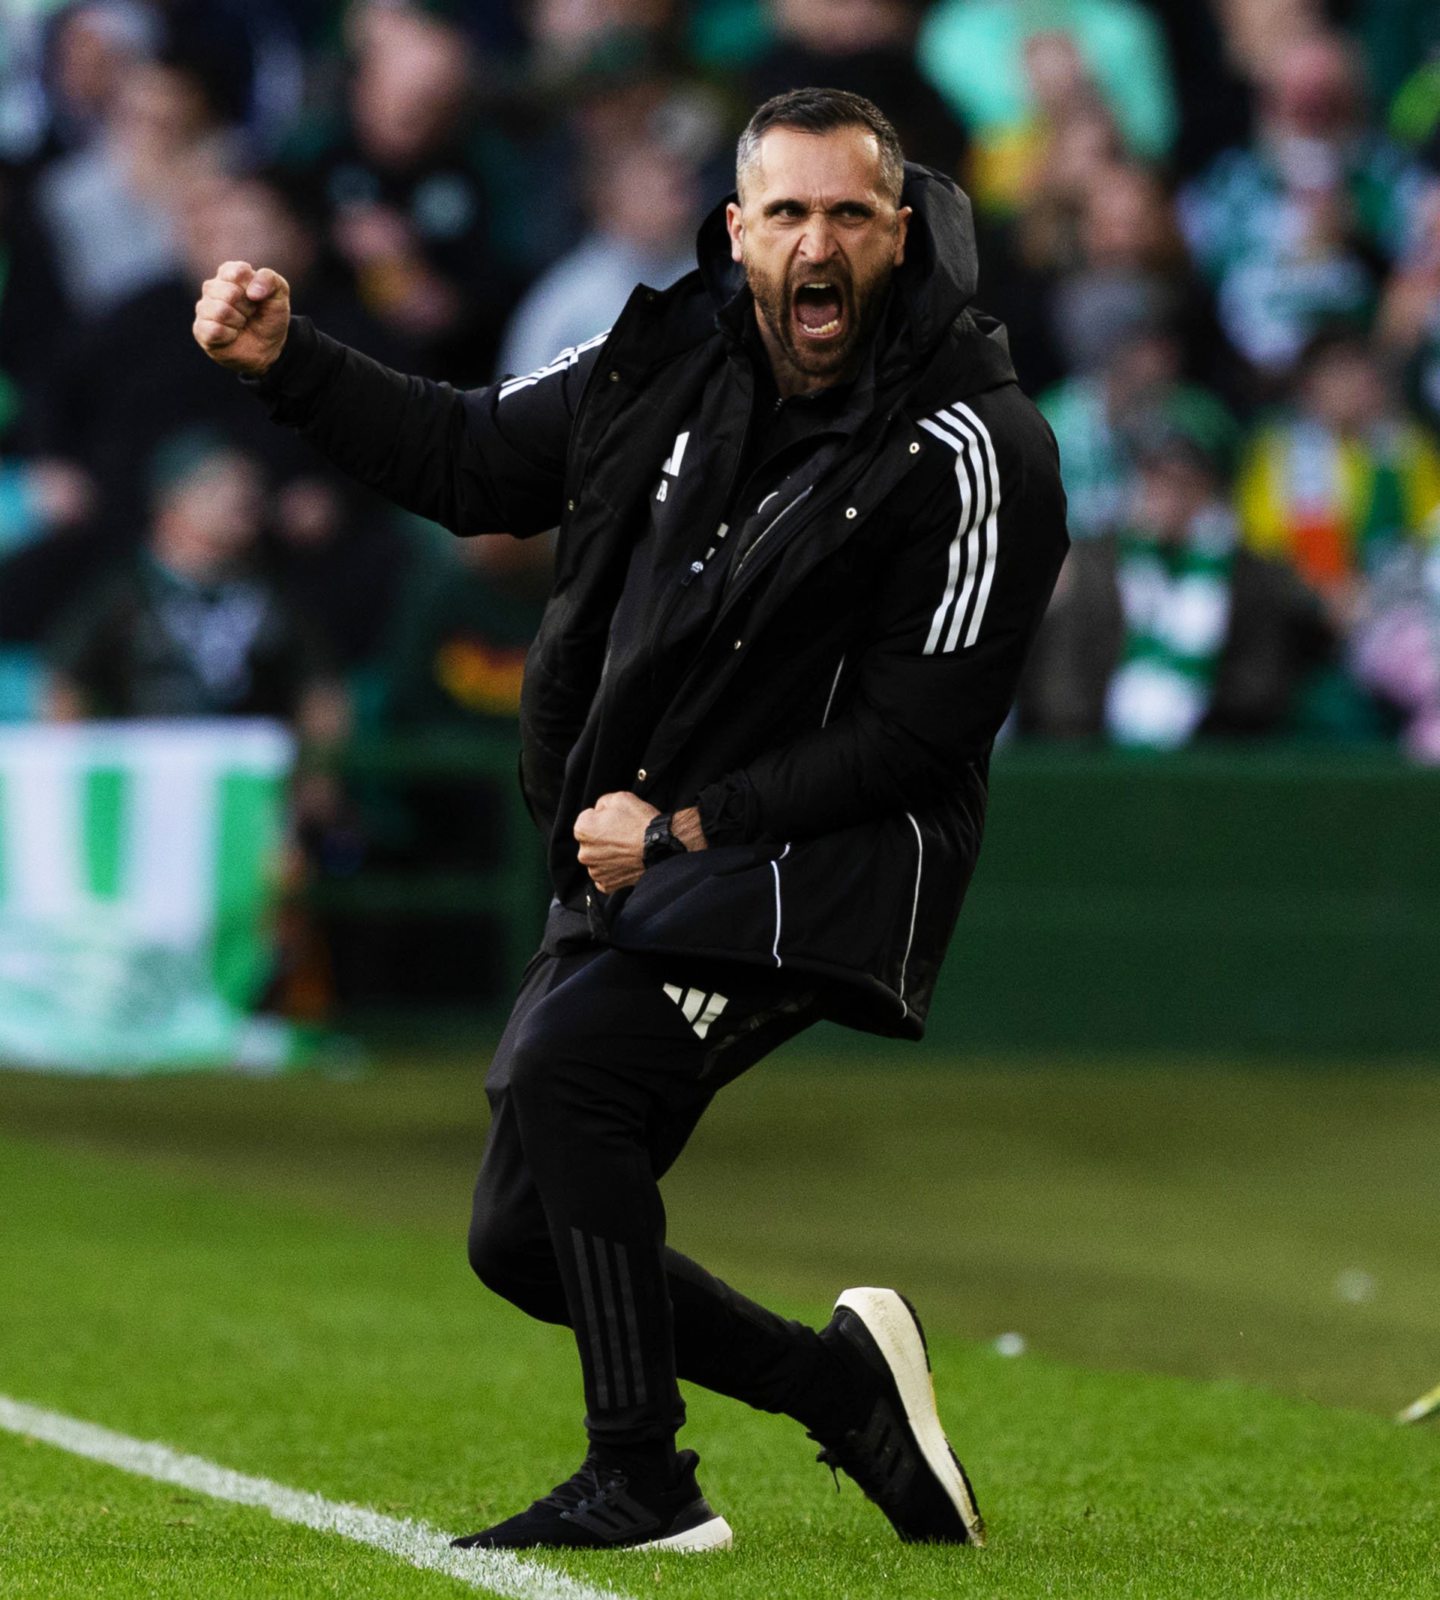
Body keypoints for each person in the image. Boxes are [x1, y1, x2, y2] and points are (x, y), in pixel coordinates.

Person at [193, 88, 1068, 1553]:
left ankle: (644, 1478)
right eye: (786, 213)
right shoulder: (666, 354)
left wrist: (687, 828)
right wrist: (290, 363)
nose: (818, 245)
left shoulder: (978, 447)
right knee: (525, 1235)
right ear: (738, 232)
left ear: (901, 234)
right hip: (644, 844)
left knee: (573, 1075)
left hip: (823, 863)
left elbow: (923, 737)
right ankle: (840, 1392)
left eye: (851, 215)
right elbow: (472, 461)